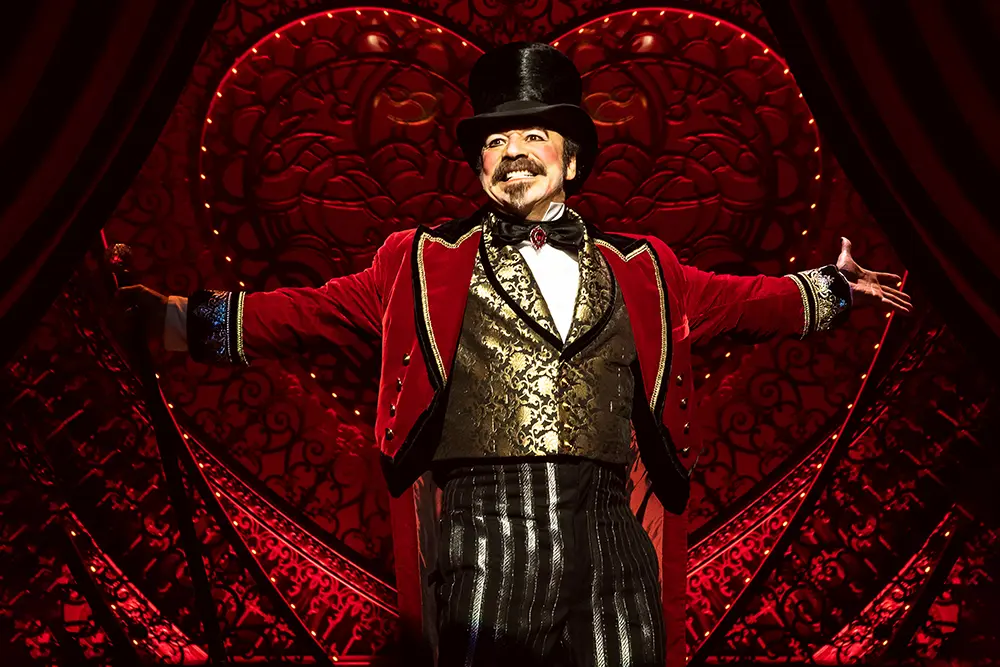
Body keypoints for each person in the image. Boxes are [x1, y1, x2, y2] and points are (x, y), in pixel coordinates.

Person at [120, 42, 912, 667]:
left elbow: (747, 302)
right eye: (496, 140)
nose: (514, 151)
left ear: (571, 160)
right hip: (483, 539)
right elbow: (303, 315)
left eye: (535, 134)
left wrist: (833, 289)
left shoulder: (646, 269)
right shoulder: (420, 262)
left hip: (611, 539)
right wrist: (169, 322)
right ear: (478, 168)